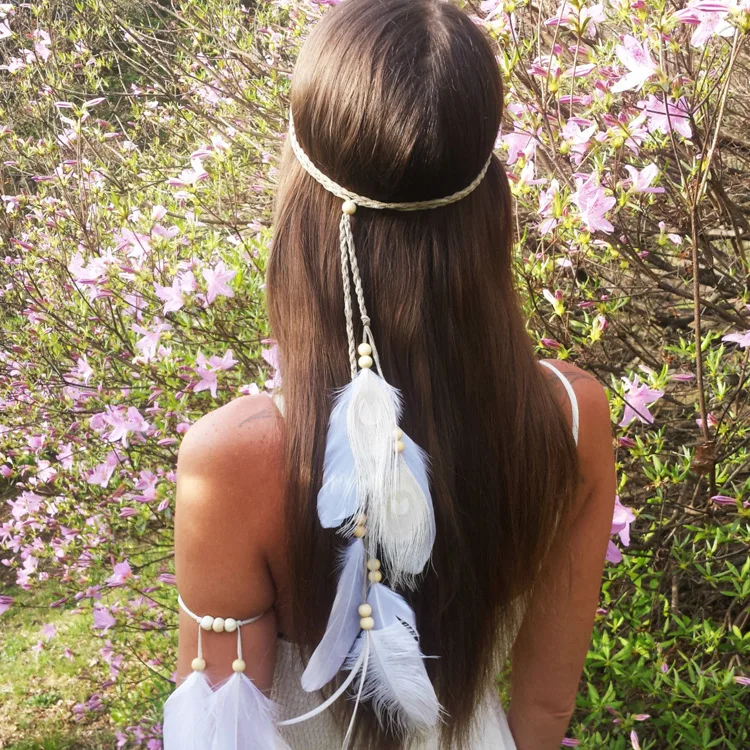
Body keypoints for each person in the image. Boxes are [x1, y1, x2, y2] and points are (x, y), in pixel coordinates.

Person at [164, 0, 617, 748]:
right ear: (492, 202)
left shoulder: (234, 459)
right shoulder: (570, 417)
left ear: (301, 202)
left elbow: (220, 736)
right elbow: (543, 707)